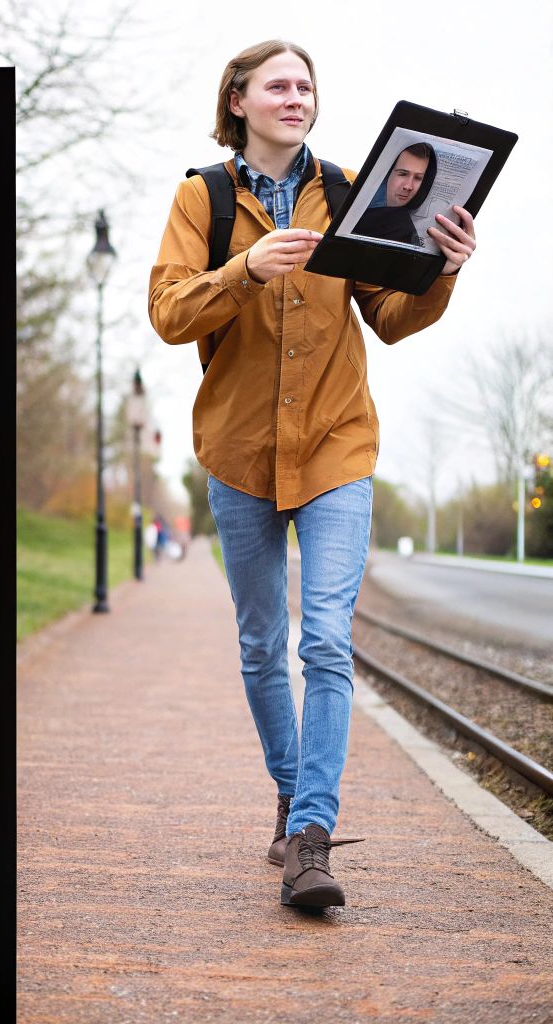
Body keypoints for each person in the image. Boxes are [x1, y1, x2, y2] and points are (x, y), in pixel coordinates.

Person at [147, 41, 476, 909]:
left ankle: (312, 837)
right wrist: (244, 269)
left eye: (306, 86)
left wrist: (441, 269)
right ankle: (291, 794)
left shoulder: (351, 192)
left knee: (325, 640)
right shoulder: (203, 198)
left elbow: (393, 317)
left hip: (336, 445)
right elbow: (168, 312)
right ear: (240, 100)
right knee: (262, 645)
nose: (296, 97)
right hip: (240, 451)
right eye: (278, 85)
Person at [352, 142, 438, 245]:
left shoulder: (404, 225)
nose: (408, 186)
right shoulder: (350, 192)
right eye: (402, 174)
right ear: (387, 173)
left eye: (418, 178)